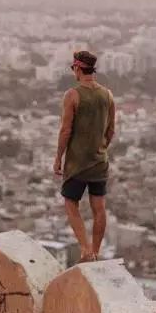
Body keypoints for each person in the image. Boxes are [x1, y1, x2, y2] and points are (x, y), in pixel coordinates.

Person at [53, 50, 115, 262]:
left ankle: (85, 249)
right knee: (99, 208)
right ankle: (96, 252)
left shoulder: (72, 95)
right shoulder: (107, 95)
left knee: (71, 203)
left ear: (78, 69)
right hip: (100, 162)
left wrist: (58, 157)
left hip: (77, 162)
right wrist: (100, 148)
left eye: (73, 69)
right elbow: (111, 131)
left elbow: (65, 131)